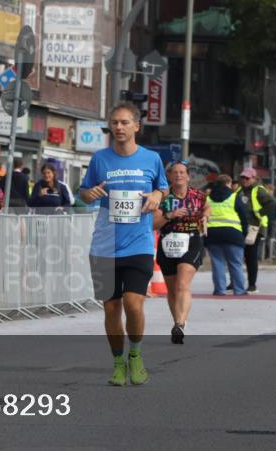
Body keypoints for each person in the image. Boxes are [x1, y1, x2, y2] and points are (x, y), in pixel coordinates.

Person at [78, 103, 168, 386]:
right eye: (114, 122)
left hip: (138, 244)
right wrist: (89, 194)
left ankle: (136, 355)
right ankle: (118, 362)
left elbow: (163, 188)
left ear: (136, 127)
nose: (118, 127)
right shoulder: (100, 159)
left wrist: (156, 196)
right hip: (104, 245)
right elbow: (84, 192)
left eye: (124, 122)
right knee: (111, 308)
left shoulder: (151, 159)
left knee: (133, 304)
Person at [153, 161, 209, 344]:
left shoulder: (198, 195)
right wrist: (170, 215)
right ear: (169, 176)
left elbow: (207, 207)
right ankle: (177, 321)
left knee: (182, 285)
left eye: (182, 172)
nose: (178, 175)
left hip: (191, 240)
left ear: (188, 176)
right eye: (175, 172)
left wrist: (206, 216)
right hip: (168, 241)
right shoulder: (163, 197)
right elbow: (153, 225)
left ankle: (180, 324)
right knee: (172, 288)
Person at [235, 167, 276, 293]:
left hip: (254, 228)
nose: (244, 180)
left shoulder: (258, 190)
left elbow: (273, 203)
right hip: (240, 226)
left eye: (247, 178)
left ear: (254, 178)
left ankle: (252, 285)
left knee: (250, 256)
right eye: (242, 177)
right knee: (236, 256)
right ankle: (234, 283)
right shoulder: (239, 190)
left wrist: (259, 213)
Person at [204, 174, 248, 296]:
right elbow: (244, 216)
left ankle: (220, 290)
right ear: (228, 183)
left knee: (217, 263)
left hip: (212, 234)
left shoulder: (208, 198)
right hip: (233, 234)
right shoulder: (234, 197)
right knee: (235, 263)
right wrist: (243, 233)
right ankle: (239, 290)